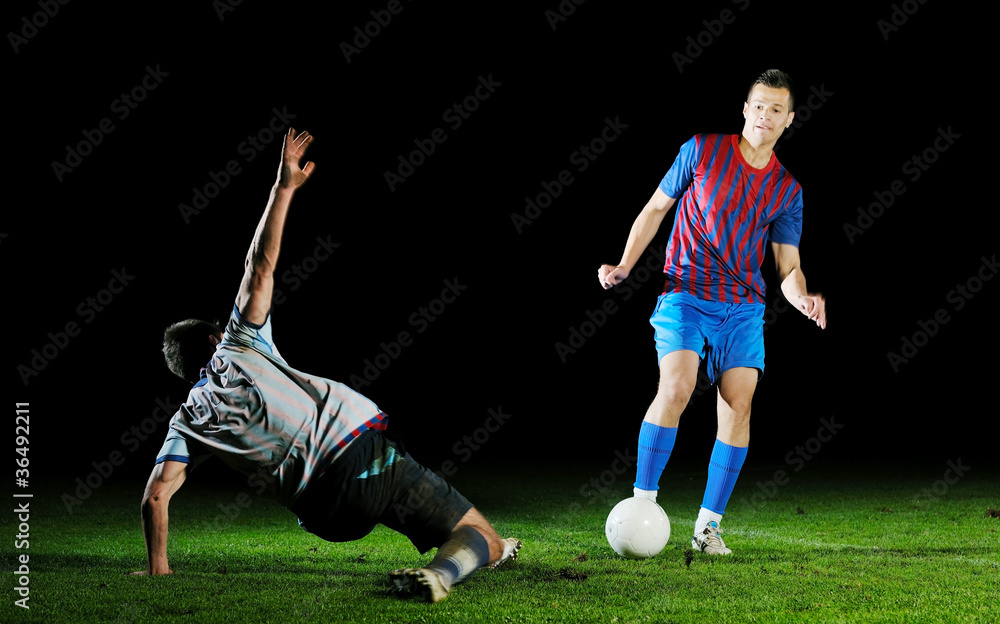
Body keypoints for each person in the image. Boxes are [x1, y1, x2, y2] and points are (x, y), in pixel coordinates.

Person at [131, 127, 520, 603]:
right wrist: (283, 188)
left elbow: (156, 496)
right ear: (213, 338)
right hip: (360, 457)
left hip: (325, 515)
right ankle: (444, 571)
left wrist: (158, 569)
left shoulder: (187, 421)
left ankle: (447, 552)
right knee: (483, 536)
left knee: (399, 504)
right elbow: (261, 266)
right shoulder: (238, 343)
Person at [598, 69, 826, 555]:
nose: (765, 115)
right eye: (758, 105)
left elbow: (788, 265)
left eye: (776, 109)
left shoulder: (788, 189)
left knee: (738, 405)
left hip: (743, 307)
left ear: (789, 120)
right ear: (745, 109)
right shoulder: (701, 150)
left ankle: (707, 528)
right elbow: (656, 208)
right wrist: (624, 264)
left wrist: (802, 296)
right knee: (677, 385)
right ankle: (642, 502)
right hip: (685, 293)